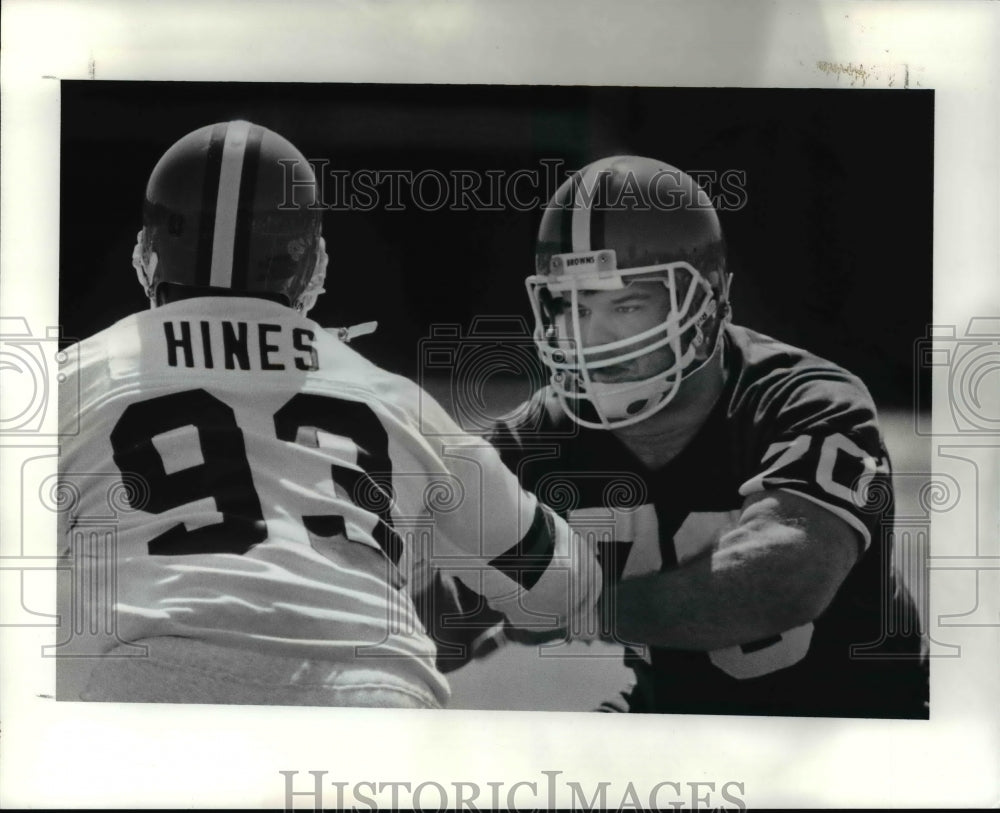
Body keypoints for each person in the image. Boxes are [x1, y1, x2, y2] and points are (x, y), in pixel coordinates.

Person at [55, 120, 601, 708]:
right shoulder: (387, 395)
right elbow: (561, 584)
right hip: (372, 698)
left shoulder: (73, 377)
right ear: (310, 263)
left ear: (148, 253)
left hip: (153, 688)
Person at [420, 155, 928, 718]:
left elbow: (779, 586)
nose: (594, 337)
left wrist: (579, 607)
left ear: (708, 301)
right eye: (574, 305)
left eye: (627, 304)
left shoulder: (803, 400)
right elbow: (434, 629)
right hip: (676, 726)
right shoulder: (533, 442)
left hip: (850, 732)